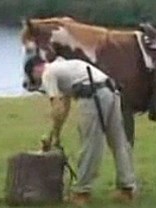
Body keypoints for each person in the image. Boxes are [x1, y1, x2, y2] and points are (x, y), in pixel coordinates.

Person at [22, 55, 137, 206]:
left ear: (36, 69)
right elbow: (64, 107)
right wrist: (54, 135)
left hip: (92, 95)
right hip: (111, 91)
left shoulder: (48, 73)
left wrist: (53, 135)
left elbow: (56, 108)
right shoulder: (63, 67)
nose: (39, 83)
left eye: (34, 78)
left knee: (90, 144)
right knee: (118, 142)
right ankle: (127, 188)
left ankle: (81, 192)